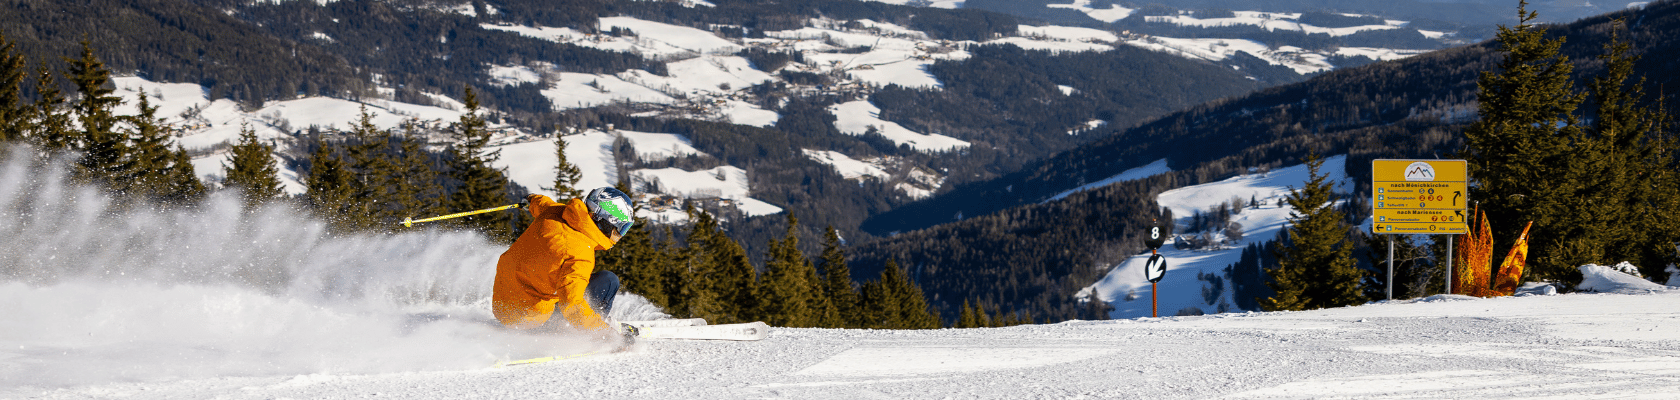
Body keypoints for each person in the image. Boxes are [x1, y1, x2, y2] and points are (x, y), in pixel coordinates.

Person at [492, 187, 639, 345]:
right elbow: (572, 304)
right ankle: (594, 330)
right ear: (603, 220)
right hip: (532, 322)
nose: (620, 236)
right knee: (609, 281)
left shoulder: (555, 212)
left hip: (503, 309)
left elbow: (542, 203)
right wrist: (608, 335)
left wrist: (531, 199)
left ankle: (594, 323)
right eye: (620, 228)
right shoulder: (580, 254)